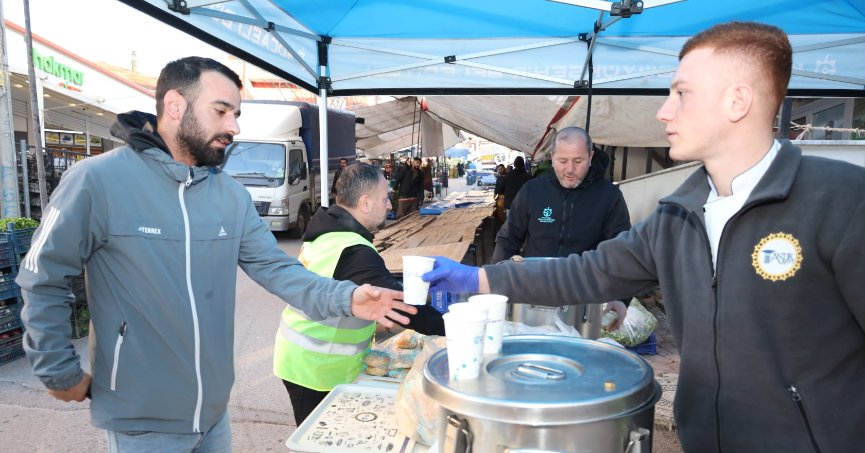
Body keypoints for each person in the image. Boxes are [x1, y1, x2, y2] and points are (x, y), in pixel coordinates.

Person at [424, 22, 865, 453]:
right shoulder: (678, 213)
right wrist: (476, 279)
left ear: (737, 101)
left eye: (682, 93)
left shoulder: (842, 201)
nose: (663, 111)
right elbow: (587, 274)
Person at [16, 56, 415, 453]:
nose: (234, 126)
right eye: (221, 111)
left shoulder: (230, 195)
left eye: (236, 114)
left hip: (213, 414)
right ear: (175, 106)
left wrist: (346, 297)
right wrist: (57, 369)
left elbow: (276, 268)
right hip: (141, 419)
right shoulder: (97, 180)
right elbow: (42, 274)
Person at [274, 163, 445, 425]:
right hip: (316, 368)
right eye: (385, 197)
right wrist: (452, 327)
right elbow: (403, 306)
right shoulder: (353, 250)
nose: (389, 205)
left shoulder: (327, 232)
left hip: (303, 359)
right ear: (365, 203)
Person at [491, 128, 631, 263]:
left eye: (578, 161)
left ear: (590, 157)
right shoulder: (532, 190)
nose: (570, 169)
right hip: (536, 280)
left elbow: (620, 249)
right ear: (552, 158)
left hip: (585, 284)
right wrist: (498, 277)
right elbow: (508, 239)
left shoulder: (610, 196)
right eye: (562, 161)